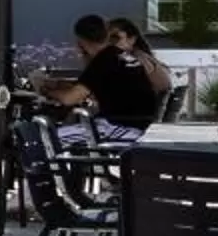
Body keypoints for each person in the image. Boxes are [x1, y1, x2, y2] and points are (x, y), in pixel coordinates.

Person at [43, 13, 159, 143]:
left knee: (47, 139)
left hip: (120, 126)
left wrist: (47, 91)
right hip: (138, 124)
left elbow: (69, 99)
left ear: (81, 41)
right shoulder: (120, 56)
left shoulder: (103, 60)